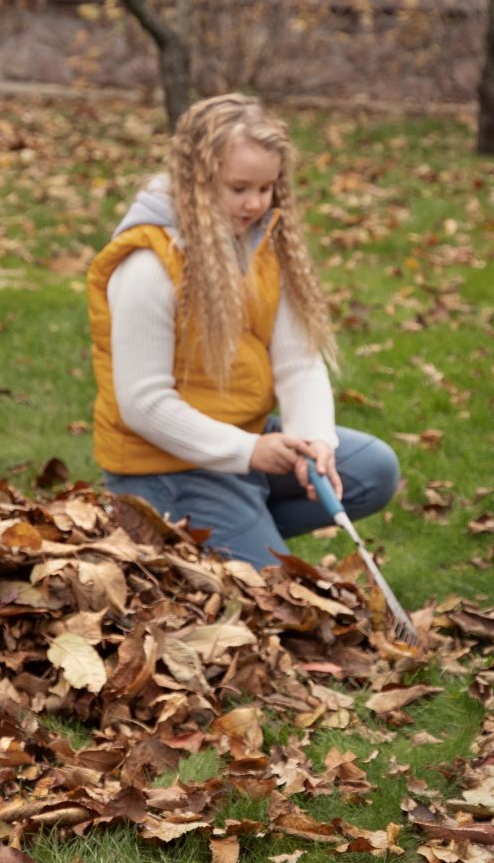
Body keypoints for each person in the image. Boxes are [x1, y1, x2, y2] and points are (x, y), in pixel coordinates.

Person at [85, 94, 400, 567]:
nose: (255, 203)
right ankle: (191, 530)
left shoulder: (261, 244)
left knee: (374, 470)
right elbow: (143, 405)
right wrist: (247, 451)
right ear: (196, 180)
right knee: (273, 598)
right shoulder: (148, 264)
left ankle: (239, 527)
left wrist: (313, 441)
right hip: (165, 467)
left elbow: (298, 361)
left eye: (266, 187)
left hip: (245, 443)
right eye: (238, 188)